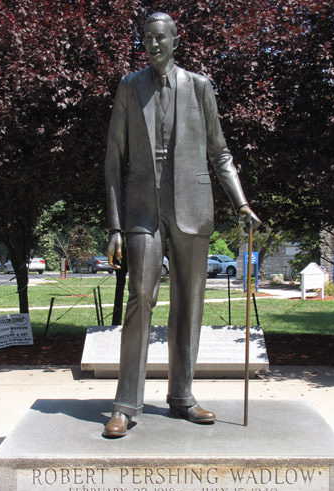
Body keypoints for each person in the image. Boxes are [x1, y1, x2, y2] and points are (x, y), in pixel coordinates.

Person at [104, 12, 260, 438]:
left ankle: (182, 396)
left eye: (160, 38)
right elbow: (113, 161)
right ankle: (125, 403)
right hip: (142, 211)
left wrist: (240, 202)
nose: (153, 45)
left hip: (193, 207)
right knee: (140, 296)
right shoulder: (129, 86)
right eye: (146, 39)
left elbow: (220, 152)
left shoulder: (200, 86)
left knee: (189, 305)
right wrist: (115, 226)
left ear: (175, 40)